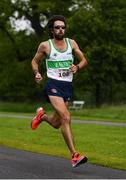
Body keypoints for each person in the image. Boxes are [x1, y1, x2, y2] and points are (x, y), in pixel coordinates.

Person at [31, 15, 88, 167]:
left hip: (67, 86)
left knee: (57, 123)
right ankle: (75, 155)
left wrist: (77, 67)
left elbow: (84, 60)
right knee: (66, 117)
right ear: (52, 30)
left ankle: (41, 116)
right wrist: (36, 72)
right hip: (53, 85)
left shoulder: (72, 43)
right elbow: (34, 61)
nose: (61, 29)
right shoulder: (46, 45)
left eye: (63, 27)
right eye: (57, 27)